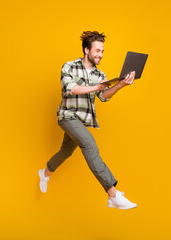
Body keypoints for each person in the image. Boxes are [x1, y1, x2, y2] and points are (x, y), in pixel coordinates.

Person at [38, 31, 137, 209]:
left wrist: (120, 86)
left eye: (102, 51)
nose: (100, 55)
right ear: (86, 50)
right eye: (97, 50)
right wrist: (96, 87)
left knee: (66, 151)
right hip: (67, 116)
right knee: (90, 145)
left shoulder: (100, 74)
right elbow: (71, 88)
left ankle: (45, 172)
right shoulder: (69, 66)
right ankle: (112, 193)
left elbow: (104, 96)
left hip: (82, 120)